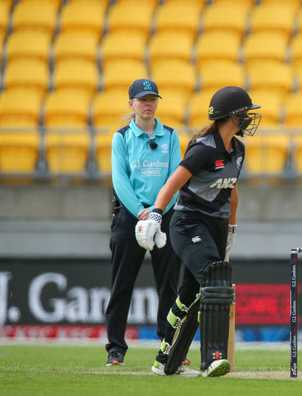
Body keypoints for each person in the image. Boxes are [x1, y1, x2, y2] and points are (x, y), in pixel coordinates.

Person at [134, 86, 260, 377]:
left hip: (215, 226)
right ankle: (213, 357)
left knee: (190, 295)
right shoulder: (204, 148)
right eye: (246, 114)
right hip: (188, 223)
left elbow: (232, 192)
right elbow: (173, 183)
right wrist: (155, 212)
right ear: (232, 116)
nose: (250, 119)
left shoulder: (238, 149)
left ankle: (166, 360)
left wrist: (231, 232)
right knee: (216, 283)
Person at [104, 79, 182, 366]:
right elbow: (120, 181)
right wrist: (141, 213)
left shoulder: (170, 136)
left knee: (169, 286)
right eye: (142, 99)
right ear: (131, 104)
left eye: (152, 99)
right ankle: (115, 348)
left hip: (165, 215)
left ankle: (168, 343)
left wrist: (159, 211)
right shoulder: (121, 137)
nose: (148, 104)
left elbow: (175, 178)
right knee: (121, 284)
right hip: (129, 217)